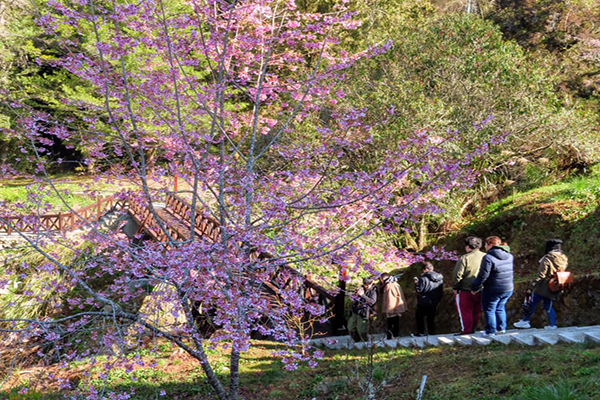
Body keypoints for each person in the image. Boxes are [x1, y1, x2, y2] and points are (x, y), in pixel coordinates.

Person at [514, 239, 569, 330]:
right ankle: (553, 324)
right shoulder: (563, 258)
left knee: (532, 303)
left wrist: (532, 286)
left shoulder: (547, 258)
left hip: (543, 286)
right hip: (555, 285)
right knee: (548, 305)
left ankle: (525, 321)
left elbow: (541, 274)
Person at [471, 236, 514, 336]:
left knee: (489, 309)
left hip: (493, 288)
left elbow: (483, 275)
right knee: (500, 307)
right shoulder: (509, 256)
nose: (485, 247)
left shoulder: (488, 257)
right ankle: (501, 328)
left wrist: (475, 287)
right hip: (508, 287)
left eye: (486, 244)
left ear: (490, 245)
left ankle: (490, 331)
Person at [452, 236, 485, 335]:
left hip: (466, 289)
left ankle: (467, 330)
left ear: (468, 246)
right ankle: (473, 328)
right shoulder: (486, 256)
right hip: (482, 288)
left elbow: (457, 274)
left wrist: (455, 286)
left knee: (466, 311)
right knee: (477, 311)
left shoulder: (465, 258)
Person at [414, 262, 444, 336]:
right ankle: (431, 331)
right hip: (434, 299)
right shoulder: (439, 278)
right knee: (431, 316)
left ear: (426, 269)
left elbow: (419, 290)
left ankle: (421, 332)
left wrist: (416, 284)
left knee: (420, 316)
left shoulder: (423, 278)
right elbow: (440, 290)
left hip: (424, 300)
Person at [348, 277, 378, 342]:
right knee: (350, 328)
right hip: (356, 310)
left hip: (364, 311)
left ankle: (365, 341)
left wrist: (363, 295)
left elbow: (372, 301)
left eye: (368, 285)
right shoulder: (361, 288)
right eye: (365, 285)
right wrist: (356, 295)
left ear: (371, 283)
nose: (366, 286)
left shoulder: (373, 291)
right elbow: (354, 299)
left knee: (362, 330)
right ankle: (356, 340)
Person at [379, 273, 407, 339]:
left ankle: (391, 336)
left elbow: (390, 299)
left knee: (391, 322)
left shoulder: (389, 286)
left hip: (392, 307)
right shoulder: (395, 283)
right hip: (397, 306)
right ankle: (395, 335)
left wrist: (388, 309)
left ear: (383, 279)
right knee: (396, 322)